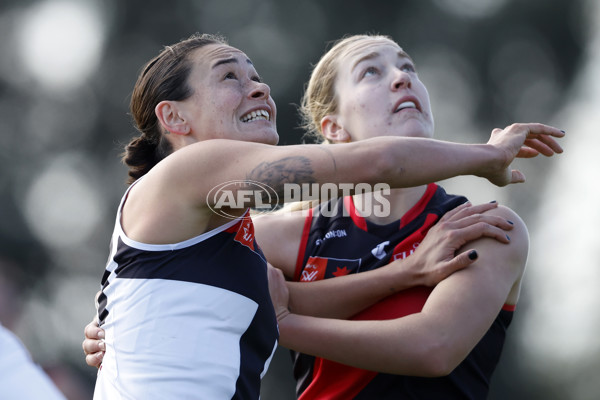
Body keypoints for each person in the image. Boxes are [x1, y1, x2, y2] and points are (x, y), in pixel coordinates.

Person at [85, 32, 563, 399]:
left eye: (408, 67)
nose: (259, 87)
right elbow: (382, 164)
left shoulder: (237, 231)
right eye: (230, 76)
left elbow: (431, 345)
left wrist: (112, 326)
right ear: (174, 119)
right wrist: (487, 154)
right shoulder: (196, 173)